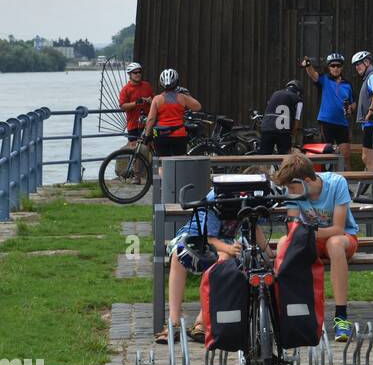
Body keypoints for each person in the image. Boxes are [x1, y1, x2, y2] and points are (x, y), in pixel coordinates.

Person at [156, 186, 271, 345]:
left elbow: (255, 227)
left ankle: (202, 321)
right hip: (196, 236)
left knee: (224, 261)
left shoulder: (252, 199)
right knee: (178, 255)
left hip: (223, 241)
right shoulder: (218, 197)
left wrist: (270, 254)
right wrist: (229, 248)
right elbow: (208, 238)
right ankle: (173, 321)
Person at [274, 150, 359, 344]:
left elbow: (338, 228)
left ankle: (341, 317)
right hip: (310, 240)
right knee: (282, 244)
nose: (290, 192)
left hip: (343, 238)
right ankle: (286, 313)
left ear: (306, 180)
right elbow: (292, 227)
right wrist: (299, 234)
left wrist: (304, 233)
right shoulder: (294, 191)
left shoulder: (337, 183)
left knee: (335, 243)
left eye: (292, 187)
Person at [301, 53, 354, 168]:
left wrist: (350, 108)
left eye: (338, 66)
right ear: (329, 67)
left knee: (345, 155)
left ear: (342, 67)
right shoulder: (324, 79)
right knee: (327, 154)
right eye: (333, 66)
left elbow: (353, 103)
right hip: (326, 122)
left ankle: (346, 183)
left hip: (343, 123)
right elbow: (313, 75)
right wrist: (308, 65)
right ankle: (328, 182)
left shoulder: (348, 84)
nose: (335, 68)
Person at [144, 69, 202, 167]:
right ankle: (180, 182)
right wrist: (187, 94)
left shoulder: (157, 99)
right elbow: (198, 107)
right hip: (179, 135)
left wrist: (147, 135)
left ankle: (164, 182)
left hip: (161, 136)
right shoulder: (182, 98)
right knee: (180, 164)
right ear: (176, 82)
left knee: (162, 164)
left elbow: (151, 119)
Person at [117, 61, 154, 181]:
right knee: (135, 149)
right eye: (135, 73)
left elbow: (154, 100)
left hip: (147, 122)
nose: (138, 74)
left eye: (139, 72)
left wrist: (150, 100)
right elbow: (122, 106)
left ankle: (151, 174)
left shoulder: (147, 85)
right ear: (130, 74)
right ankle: (137, 176)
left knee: (150, 147)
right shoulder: (126, 89)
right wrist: (135, 103)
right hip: (133, 123)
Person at [260, 78, 304, 155]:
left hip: (266, 127)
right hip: (283, 129)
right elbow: (297, 119)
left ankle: (263, 167)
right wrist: (293, 134)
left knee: (264, 157)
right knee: (284, 158)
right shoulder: (298, 99)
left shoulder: (275, 93)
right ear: (298, 92)